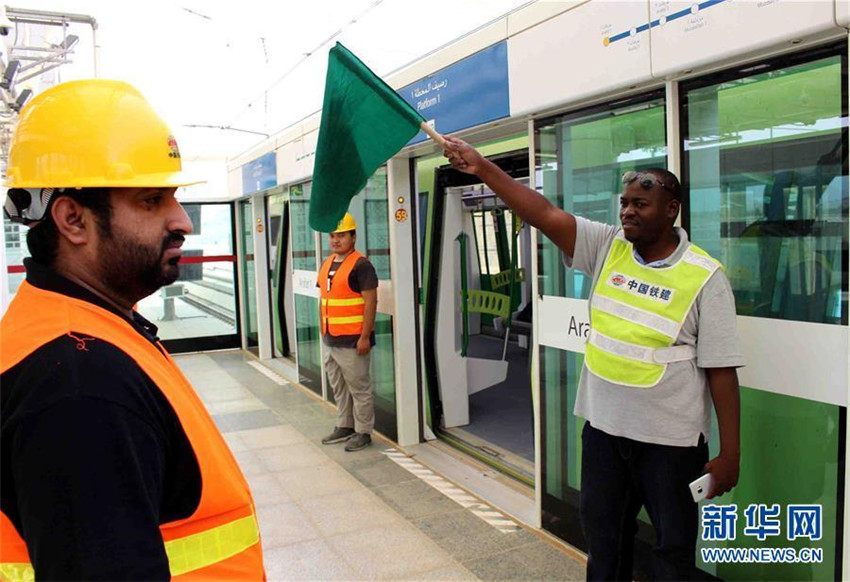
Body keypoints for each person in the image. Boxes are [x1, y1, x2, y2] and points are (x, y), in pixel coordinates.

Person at [444, 136, 743, 580]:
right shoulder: (608, 247)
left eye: (640, 204)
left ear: (671, 209)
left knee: (672, 550)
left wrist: (730, 453)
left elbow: (721, 370)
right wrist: (483, 167)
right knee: (603, 540)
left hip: (670, 446)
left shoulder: (705, 277)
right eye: (624, 203)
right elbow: (542, 213)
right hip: (603, 434)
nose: (627, 212)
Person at [0, 80, 265, 580]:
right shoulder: (78, 383)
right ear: (73, 219)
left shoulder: (80, 331)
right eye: (150, 200)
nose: (182, 219)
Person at [318, 213, 378, 452]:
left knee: (359, 388)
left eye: (341, 235)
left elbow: (371, 302)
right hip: (331, 339)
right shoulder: (327, 263)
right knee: (339, 387)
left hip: (354, 341)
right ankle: (345, 425)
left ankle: (364, 431)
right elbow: (326, 299)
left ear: (353, 236)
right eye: (333, 236)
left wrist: (364, 337)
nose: (335, 240)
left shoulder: (362, 265)